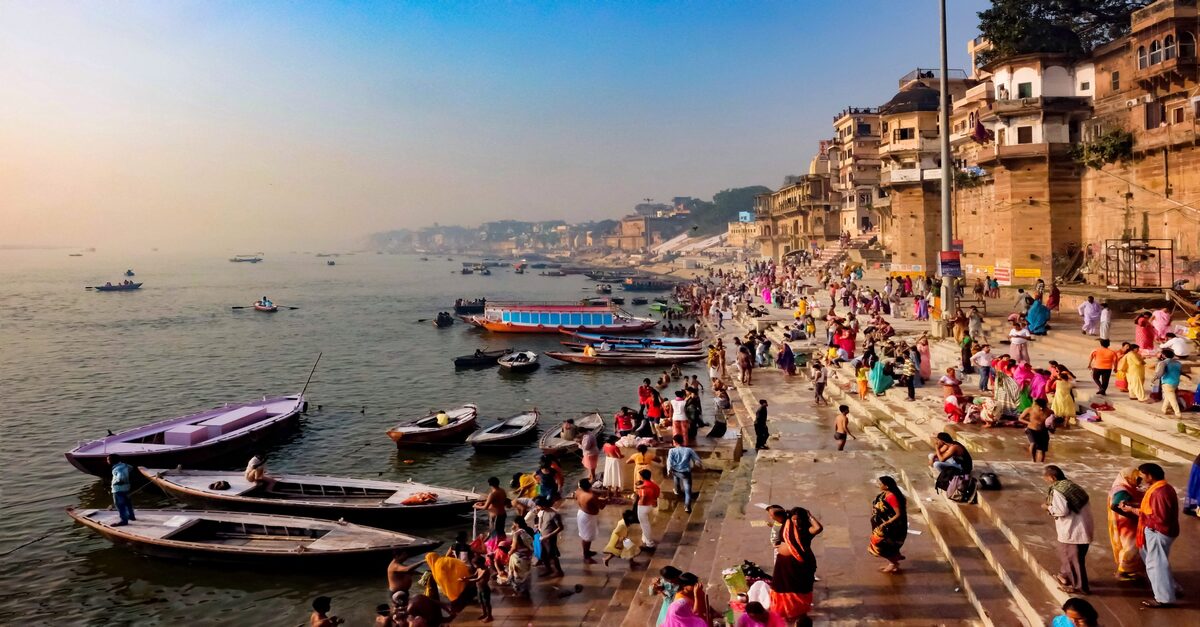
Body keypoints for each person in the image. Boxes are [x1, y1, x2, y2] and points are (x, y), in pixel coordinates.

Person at [1119, 463, 1179, 608]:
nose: (1140, 478)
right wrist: (1133, 507)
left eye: (1142, 475)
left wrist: (1134, 511)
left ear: (1150, 476)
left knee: (1156, 565)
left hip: (1158, 531)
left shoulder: (1160, 492)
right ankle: (1172, 589)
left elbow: (1159, 517)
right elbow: (1152, 509)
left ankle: (1164, 599)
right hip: (1159, 531)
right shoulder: (1162, 487)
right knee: (1158, 563)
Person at [1044, 465, 1094, 594]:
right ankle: (1065, 576)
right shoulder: (1071, 486)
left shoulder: (1058, 491)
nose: (1045, 480)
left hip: (1072, 531)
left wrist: (1047, 507)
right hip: (1084, 527)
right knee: (1076, 558)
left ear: (1052, 477)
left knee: (1072, 559)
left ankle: (1079, 587)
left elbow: (1061, 511)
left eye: (1046, 477)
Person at [770, 507, 822, 625]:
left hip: (799, 565)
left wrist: (809, 515)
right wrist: (787, 513)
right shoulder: (786, 523)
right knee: (782, 587)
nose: (796, 522)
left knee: (799, 588)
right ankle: (784, 612)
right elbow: (773, 513)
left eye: (798, 520)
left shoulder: (806, 530)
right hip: (783, 564)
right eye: (794, 519)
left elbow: (818, 528)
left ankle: (799, 612)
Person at [1107, 467, 1146, 580]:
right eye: (1137, 479)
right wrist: (1133, 515)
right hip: (1126, 524)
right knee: (1131, 546)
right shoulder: (1121, 490)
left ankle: (1132, 569)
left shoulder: (1124, 486)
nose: (1139, 481)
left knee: (1132, 546)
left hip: (1125, 522)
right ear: (1128, 478)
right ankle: (1122, 572)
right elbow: (1115, 505)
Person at [868, 476, 908, 574]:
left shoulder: (891, 497)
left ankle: (893, 563)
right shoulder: (885, 494)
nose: (878, 485)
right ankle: (894, 559)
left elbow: (898, 514)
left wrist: (886, 523)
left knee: (880, 545)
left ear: (886, 486)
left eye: (880, 483)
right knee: (888, 545)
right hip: (883, 525)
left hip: (890, 528)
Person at [667, 435, 703, 514]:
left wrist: (669, 470)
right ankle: (687, 506)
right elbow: (697, 459)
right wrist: (698, 464)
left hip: (675, 471)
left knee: (676, 478)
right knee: (687, 490)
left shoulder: (672, 451)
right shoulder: (689, 450)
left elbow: (669, 461)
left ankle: (677, 490)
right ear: (682, 441)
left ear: (675, 442)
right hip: (686, 472)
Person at [533, 497, 566, 577]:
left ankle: (559, 572)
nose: (537, 507)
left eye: (538, 506)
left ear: (543, 505)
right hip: (542, 537)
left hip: (550, 539)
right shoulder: (542, 511)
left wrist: (548, 536)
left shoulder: (554, 514)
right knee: (543, 555)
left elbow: (560, 527)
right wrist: (538, 527)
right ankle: (548, 569)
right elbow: (542, 522)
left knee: (552, 555)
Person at [1151, 348, 1186, 416]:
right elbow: (1180, 372)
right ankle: (1164, 409)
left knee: (1172, 398)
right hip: (1176, 382)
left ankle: (1177, 413)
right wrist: (1187, 376)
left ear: (1163, 355)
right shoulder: (1178, 363)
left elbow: (1160, 373)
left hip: (1167, 382)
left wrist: (1154, 378)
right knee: (1168, 396)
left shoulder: (1163, 363)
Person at [634, 468, 661, 549]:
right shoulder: (654, 485)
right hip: (651, 505)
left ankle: (649, 543)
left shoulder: (644, 487)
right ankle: (645, 539)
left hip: (643, 506)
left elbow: (643, 497)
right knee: (646, 523)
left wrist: (640, 502)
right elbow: (657, 494)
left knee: (645, 525)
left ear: (642, 477)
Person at [462, 554, 492, 623]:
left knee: (486, 603)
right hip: (479, 588)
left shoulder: (485, 570)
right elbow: (474, 575)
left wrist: (466, 580)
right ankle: (484, 614)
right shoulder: (478, 569)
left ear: (480, 564)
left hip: (485, 589)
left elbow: (477, 579)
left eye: (475, 564)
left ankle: (489, 616)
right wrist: (466, 577)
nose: (474, 566)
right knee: (481, 602)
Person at [1021, 398, 1052, 462]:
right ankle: (1033, 459)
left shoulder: (1049, 412)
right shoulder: (1030, 410)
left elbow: (1053, 421)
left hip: (1043, 431)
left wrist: (1052, 428)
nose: (1041, 408)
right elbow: (1020, 418)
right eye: (1040, 407)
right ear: (1036, 405)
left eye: (1043, 406)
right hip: (1031, 430)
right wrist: (1029, 423)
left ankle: (1040, 464)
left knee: (1042, 450)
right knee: (1033, 443)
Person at [107, 454, 135, 526]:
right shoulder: (125, 465)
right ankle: (131, 516)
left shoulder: (117, 469)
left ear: (112, 461)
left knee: (120, 505)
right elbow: (131, 468)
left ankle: (123, 520)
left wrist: (115, 483)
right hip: (127, 488)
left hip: (118, 489)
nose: (107, 461)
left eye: (108, 459)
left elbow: (121, 478)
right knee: (128, 503)